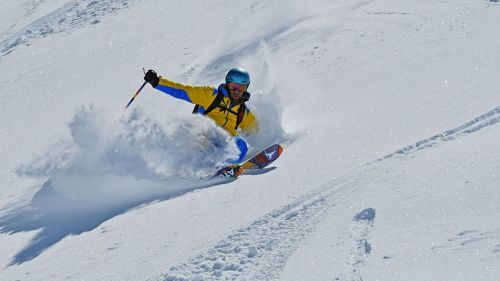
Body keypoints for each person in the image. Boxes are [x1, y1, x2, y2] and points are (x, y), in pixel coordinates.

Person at [143, 67, 258, 177]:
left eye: (241, 88)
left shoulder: (243, 112)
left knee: (241, 144)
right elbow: (183, 91)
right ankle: (204, 169)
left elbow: (256, 132)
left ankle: (226, 168)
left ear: (246, 88)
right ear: (227, 84)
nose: (237, 91)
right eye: (233, 86)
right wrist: (157, 81)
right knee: (207, 143)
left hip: (223, 145)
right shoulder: (211, 95)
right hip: (202, 138)